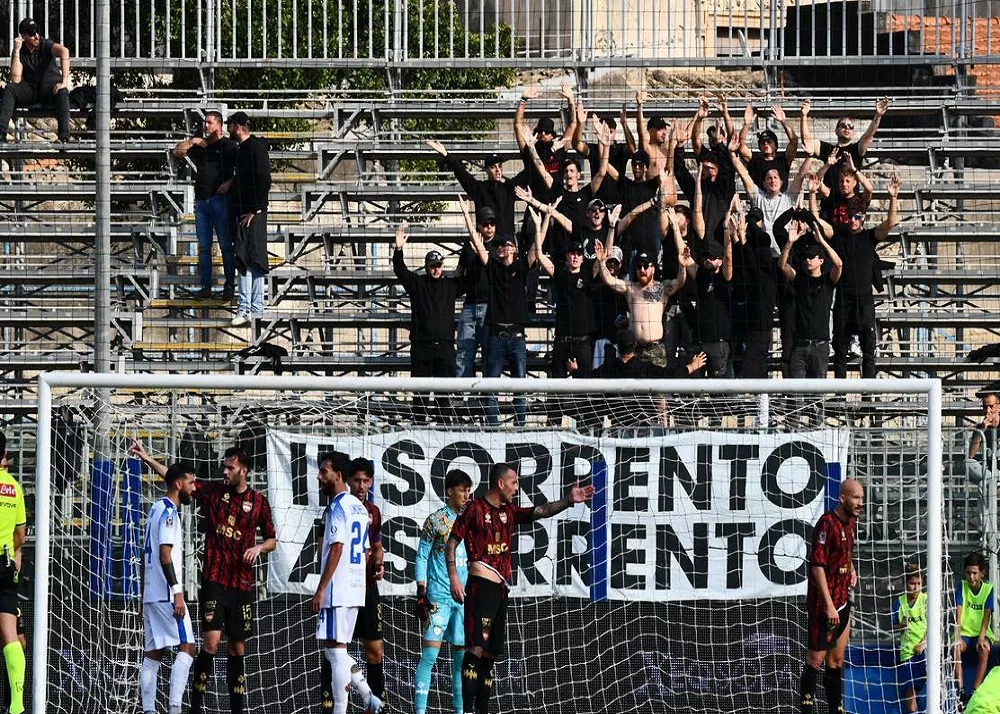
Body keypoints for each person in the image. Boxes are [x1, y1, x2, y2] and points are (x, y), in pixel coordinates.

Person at [129, 442, 277, 714]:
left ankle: (236, 709)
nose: (225, 471)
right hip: (213, 580)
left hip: (242, 584)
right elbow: (176, 479)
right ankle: (194, 707)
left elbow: (272, 540)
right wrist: (148, 459)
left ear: (243, 471)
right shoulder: (214, 492)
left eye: (230, 467)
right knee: (208, 643)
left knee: (237, 648)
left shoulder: (259, 502)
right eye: (224, 466)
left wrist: (259, 548)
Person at [445, 462, 594, 714]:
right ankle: (466, 711)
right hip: (481, 586)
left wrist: (569, 500)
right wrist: (454, 579)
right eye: (514, 483)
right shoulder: (474, 508)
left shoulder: (509, 511)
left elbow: (541, 511)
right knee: (475, 650)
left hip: (501, 590)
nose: (516, 488)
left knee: (490, 656)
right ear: (500, 483)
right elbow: (450, 545)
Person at [311, 451, 384, 714]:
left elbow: (337, 547)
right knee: (336, 652)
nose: (319, 477)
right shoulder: (360, 508)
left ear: (338, 475)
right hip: (354, 590)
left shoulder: (338, 507)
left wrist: (321, 589)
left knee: (336, 652)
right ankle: (369, 697)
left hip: (337, 590)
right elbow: (366, 552)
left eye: (324, 471)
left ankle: (345, 708)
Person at [460, 197, 540, 426]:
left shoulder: (521, 269)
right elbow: (477, 243)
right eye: (501, 246)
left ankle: (520, 425)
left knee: (520, 386)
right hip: (496, 336)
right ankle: (492, 425)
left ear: (514, 249)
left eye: (507, 245)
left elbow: (537, 248)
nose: (503, 248)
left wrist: (539, 224)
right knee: (491, 384)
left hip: (517, 337)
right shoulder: (493, 268)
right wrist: (466, 214)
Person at [595, 205, 689, 369]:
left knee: (659, 385)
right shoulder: (630, 288)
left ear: (653, 268)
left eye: (646, 266)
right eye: (639, 266)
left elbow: (680, 281)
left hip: (656, 349)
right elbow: (609, 280)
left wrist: (682, 265)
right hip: (635, 350)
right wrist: (602, 262)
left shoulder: (662, 288)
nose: (642, 270)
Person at [800, 478, 864, 714]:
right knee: (815, 661)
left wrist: (852, 569)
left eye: (862, 498)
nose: (860, 503)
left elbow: (844, 554)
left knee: (836, 661)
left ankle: (836, 709)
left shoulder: (851, 522)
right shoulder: (827, 524)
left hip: (843, 601)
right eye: (856, 498)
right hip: (824, 605)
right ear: (842, 498)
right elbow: (817, 566)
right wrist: (828, 605)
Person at [413, 470, 473, 714]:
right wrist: (421, 590)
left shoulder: (472, 520)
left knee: (461, 662)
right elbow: (421, 556)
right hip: (438, 598)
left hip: (464, 599)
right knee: (429, 657)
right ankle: (419, 712)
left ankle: (460, 712)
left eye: (468, 491)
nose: (466, 495)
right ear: (450, 491)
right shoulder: (436, 520)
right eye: (462, 490)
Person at [140, 463, 198, 714]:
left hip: (151, 594)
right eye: (191, 482)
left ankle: (149, 710)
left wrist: (147, 458)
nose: (194, 488)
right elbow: (165, 554)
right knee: (188, 647)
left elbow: (146, 556)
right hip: (166, 594)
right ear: (179, 484)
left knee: (153, 654)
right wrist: (177, 592)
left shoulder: (155, 508)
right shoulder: (169, 514)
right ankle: (175, 708)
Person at [830, 174, 900, 379]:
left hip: (865, 302)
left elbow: (890, 223)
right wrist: (814, 195)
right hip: (843, 300)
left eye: (857, 216)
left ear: (863, 218)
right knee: (840, 352)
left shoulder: (869, 237)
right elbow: (821, 227)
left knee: (869, 352)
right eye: (850, 216)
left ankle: (869, 393)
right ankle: (840, 393)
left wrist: (893, 198)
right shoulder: (839, 236)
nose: (853, 220)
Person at [393, 222, 464, 420]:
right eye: (432, 266)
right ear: (427, 267)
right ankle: (418, 429)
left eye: (438, 265)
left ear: (443, 266)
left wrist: (476, 250)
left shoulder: (450, 285)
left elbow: (472, 279)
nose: (436, 269)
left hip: (445, 348)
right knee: (420, 397)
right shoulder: (418, 283)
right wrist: (398, 249)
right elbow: (400, 270)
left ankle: (444, 430)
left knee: (443, 398)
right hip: (422, 348)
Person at [173, 111, 238, 300]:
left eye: (209, 122)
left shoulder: (229, 145)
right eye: (205, 122)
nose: (206, 126)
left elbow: (242, 169)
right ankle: (206, 286)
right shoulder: (201, 145)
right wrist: (193, 141)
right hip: (202, 202)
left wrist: (230, 183)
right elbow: (177, 152)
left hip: (220, 201)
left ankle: (229, 286)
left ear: (219, 125)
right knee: (203, 248)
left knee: (226, 246)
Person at [777, 220, 842, 378]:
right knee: (798, 390)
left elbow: (839, 264)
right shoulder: (799, 279)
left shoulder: (827, 281)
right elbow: (782, 265)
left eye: (812, 257)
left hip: (820, 345)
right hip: (800, 344)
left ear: (821, 261)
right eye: (806, 257)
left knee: (818, 391)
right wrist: (790, 242)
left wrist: (822, 242)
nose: (808, 260)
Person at [347, 457, 387, 706]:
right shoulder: (339, 508)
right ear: (348, 481)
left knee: (375, 651)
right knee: (337, 652)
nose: (362, 486)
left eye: (366, 481)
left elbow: (378, 546)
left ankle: (377, 704)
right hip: (345, 592)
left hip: (369, 589)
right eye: (357, 480)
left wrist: (379, 563)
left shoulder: (374, 512)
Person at [427, 140, 528, 237]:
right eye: (493, 167)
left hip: (507, 244)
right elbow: (462, 174)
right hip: (486, 242)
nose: (498, 170)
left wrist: (532, 148)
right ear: (486, 169)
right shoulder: (479, 189)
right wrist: (446, 154)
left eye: (500, 166)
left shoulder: (509, 188)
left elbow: (528, 172)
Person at [227, 111, 272, 326]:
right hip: (243, 212)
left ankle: (249, 308)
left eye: (230, 125)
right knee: (246, 257)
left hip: (252, 213)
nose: (228, 129)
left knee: (250, 259)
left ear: (237, 126)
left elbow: (265, 179)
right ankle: (251, 308)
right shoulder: (242, 149)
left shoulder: (256, 148)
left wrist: (255, 210)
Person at [0, 18, 71, 143]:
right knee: (10, 89)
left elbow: (64, 52)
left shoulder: (45, 44)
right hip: (32, 91)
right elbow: (16, 79)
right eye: (32, 34)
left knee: (63, 92)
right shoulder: (21, 50)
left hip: (50, 90)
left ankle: (64, 137)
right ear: (23, 36)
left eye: (37, 32)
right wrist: (16, 51)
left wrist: (64, 81)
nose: (36, 36)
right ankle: (1, 133)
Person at [802, 97, 889, 190]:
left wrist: (878, 116)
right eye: (843, 126)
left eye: (851, 127)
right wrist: (803, 116)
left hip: (852, 198)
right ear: (836, 130)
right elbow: (807, 142)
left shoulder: (856, 149)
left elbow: (868, 135)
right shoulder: (828, 149)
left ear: (853, 133)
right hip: (830, 197)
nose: (847, 128)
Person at [0, 433, 26, 714]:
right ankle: (17, 706)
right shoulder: (14, 487)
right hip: (5, 564)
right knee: (10, 634)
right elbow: (21, 535)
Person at [455, 206, 496, 379]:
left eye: (492, 223)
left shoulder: (499, 245)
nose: (489, 227)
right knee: (464, 353)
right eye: (485, 224)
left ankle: (487, 394)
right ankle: (463, 393)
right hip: (470, 304)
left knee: (489, 353)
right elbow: (459, 271)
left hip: (490, 306)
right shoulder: (468, 245)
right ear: (478, 225)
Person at [954, 551, 996, 698]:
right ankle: (960, 691)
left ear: (982, 573)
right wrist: (957, 636)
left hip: (981, 633)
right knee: (955, 648)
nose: (971, 577)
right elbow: (958, 613)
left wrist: (981, 638)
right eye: (968, 573)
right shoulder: (961, 586)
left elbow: (987, 616)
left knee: (984, 649)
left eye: (974, 573)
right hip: (964, 633)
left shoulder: (988, 589)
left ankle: (974, 691)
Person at [892, 563, 927, 714]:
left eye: (919, 583)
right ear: (905, 583)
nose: (916, 587)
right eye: (912, 583)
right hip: (907, 653)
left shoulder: (926, 600)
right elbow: (892, 626)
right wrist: (901, 625)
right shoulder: (898, 603)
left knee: (932, 684)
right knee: (909, 689)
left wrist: (924, 642)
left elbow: (935, 624)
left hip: (926, 651)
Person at [969, 392, 999, 463]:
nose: (988, 411)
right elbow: (971, 455)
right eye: (985, 407)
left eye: (991, 406)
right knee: (968, 463)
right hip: (985, 465)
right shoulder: (980, 427)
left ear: (999, 407)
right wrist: (981, 430)